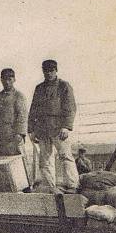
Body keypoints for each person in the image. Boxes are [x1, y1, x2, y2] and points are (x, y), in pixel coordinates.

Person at [28, 59, 79, 191]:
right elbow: (33, 109)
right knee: (45, 161)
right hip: (42, 129)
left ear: (56, 71)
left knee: (65, 156)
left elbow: (70, 107)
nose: (49, 73)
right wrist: (31, 130)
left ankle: (73, 185)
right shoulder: (39, 88)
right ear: (43, 72)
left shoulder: (64, 86)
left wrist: (66, 127)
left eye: (51, 70)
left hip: (58, 128)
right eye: (46, 71)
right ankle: (50, 187)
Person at [0, 68, 29, 156]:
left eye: (9, 79)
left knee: (16, 162)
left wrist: (20, 134)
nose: (7, 82)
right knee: (3, 160)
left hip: (14, 138)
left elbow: (22, 116)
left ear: (14, 79)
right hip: (0, 138)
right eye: (4, 79)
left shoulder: (18, 96)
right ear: (1, 80)